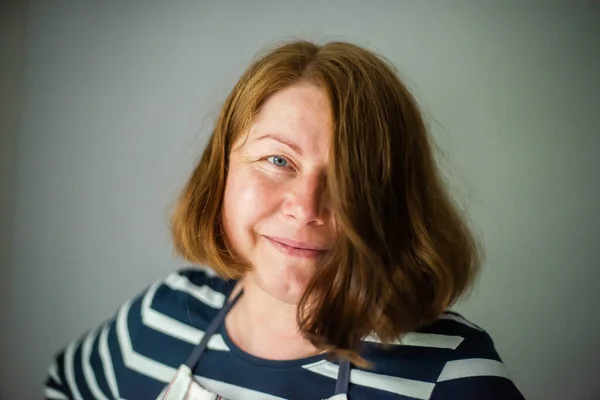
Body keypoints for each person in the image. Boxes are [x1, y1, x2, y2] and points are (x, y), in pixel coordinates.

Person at [44, 40, 525, 400]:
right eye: (278, 161)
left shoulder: (454, 372)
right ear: (222, 172)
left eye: (347, 177)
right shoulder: (160, 318)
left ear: (396, 200)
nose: (307, 206)